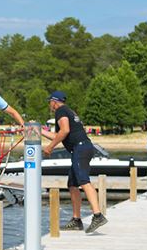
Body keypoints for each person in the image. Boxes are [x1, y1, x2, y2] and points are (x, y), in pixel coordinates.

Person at [41, 91, 106, 233]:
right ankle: (76, 220)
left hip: (80, 148)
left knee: (84, 181)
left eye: (49, 102)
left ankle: (98, 215)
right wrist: (39, 130)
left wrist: (50, 147)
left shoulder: (60, 111)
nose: (49, 105)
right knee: (72, 184)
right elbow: (58, 135)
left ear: (54, 101)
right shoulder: (68, 111)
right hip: (83, 147)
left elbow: (64, 130)